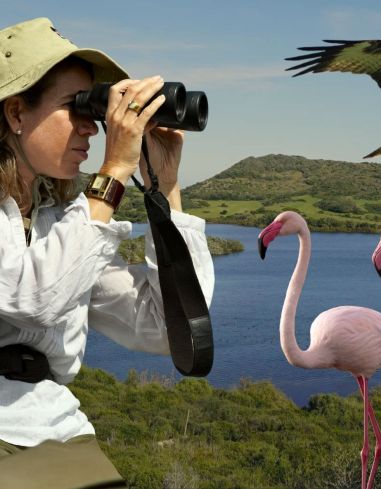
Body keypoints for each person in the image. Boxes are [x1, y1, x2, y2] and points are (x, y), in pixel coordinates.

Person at [0, 17, 215, 488]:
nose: (91, 129)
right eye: (75, 108)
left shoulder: (58, 223)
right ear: (16, 114)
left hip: (57, 432)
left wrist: (169, 187)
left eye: (93, 110)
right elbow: (33, 298)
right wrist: (114, 170)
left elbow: (163, 327)